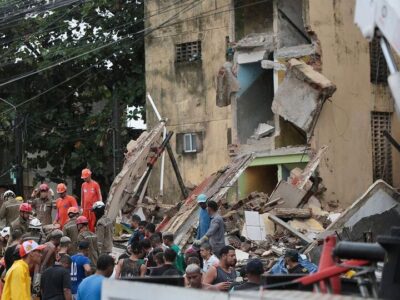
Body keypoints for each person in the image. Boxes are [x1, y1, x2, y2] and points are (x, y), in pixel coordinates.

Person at [81, 168, 102, 232]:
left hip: (93, 210)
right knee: (85, 226)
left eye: (86, 177)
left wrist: (100, 207)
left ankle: (92, 239)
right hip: (85, 210)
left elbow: (99, 196)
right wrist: (82, 208)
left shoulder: (95, 184)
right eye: (84, 178)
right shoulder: (83, 185)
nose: (84, 179)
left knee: (92, 226)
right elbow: (82, 197)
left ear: (89, 176)